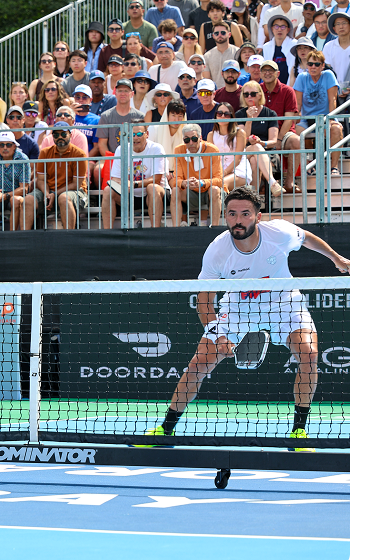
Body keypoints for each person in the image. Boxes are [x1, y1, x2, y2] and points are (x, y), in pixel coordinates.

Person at [139, 186, 350, 450]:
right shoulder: (217, 251)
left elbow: (305, 237)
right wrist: (219, 333)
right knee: (199, 363)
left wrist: (336, 257)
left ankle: (298, 430)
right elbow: (204, 300)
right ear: (225, 216)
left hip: (283, 301)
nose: (238, 220)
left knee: (308, 354)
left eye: (245, 214)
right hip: (239, 306)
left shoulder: (279, 234)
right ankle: (165, 429)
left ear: (257, 217)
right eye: (232, 214)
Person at [101, 120, 170, 228]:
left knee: (152, 188)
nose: (135, 138)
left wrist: (134, 184)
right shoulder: (121, 149)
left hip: (156, 194)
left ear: (147, 134)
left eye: (139, 134)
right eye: (132, 134)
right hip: (131, 195)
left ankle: (155, 230)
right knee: (108, 190)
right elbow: (115, 179)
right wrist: (126, 184)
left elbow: (156, 179)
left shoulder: (156, 148)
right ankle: (107, 233)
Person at [22, 121, 88, 230]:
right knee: (29, 199)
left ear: (70, 135)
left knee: (64, 198)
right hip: (50, 190)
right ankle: (24, 240)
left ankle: (69, 237)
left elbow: (76, 184)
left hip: (76, 191)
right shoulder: (45, 152)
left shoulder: (79, 154)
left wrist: (54, 194)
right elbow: (41, 180)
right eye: (56, 135)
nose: (59, 137)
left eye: (63, 134)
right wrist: (48, 194)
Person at [293, 49, 343, 175]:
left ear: (322, 66)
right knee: (297, 132)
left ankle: (334, 167)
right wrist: (296, 117)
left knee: (336, 130)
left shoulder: (328, 75)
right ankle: (310, 165)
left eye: (316, 64)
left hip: (326, 117)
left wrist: (331, 119)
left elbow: (332, 100)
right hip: (307, 119)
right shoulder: (301, 77)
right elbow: (298, 103)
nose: (313, 67)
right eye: (310, 64)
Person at [235, 79, 285, 197]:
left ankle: (253, 198)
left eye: (253, 94)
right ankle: (272, 182)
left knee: (254, 160)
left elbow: (273, 141)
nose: (249, 97)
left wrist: (261, 142)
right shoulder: (240, 114)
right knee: (254, 149)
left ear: (260, 95)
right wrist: (249, 119)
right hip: (244, 152)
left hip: (267, 152)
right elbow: (243, 139)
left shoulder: (270, 114)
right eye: (246, 94)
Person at [169, 123, 225, 226]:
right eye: (187, 140)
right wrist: (184, 183)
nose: (190, 143)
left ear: (200, 138)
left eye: (194, 139)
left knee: (215, 189)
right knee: (175, 190)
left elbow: (219, 180)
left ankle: (215, 228)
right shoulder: (179, 150)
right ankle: (175, 230)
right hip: (191, 192)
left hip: (209, 191)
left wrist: (202, 182)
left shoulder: (213, 150)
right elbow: (177, 179)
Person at [259, 59, 302, 193]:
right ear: (260, 74)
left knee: (296, 141)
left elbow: (289, 119)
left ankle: (288, 183)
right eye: (264, 70)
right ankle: (260, 186)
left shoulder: (288, 91)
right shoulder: (256, 90)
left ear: (277, 73)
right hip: (261, 132)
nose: (267, 73)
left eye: (270, 70)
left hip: (283, 133)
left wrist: (277, 139)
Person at [207, 101, 259, 192]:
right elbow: (211, 159)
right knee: (212, 185)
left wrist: (224, 173)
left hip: (239, 171)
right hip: (219, 171)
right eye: (219, 113)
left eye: (226, 114)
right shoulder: (211, 135)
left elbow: (238, 159)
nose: (222, 116)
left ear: (231, 116)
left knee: (221, 183)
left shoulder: (239, 133)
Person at [97, 79, 146, 157]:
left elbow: (143, 142)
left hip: (134, 157)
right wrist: (113, 159)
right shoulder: (105, 116)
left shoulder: (140, 116)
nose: (123, 93)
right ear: (115, 93)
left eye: (126, 91)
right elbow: (102, 143)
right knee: (98, 169)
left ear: (132, 94)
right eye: (120, 91)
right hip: (112, 157)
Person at [153, 99, 188, 188]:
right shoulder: (154, 130)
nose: (176, 119)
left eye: (180, 116)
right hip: (157, 173)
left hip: (178, 174)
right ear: (167, 115)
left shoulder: (186, 134)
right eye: (173, 115)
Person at [262, 13, 298, 85]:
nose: (279, 29)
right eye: (276, 26)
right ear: (272, 29)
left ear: (288, 30)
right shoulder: (266, 47)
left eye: (283, 27)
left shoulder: (295, 44)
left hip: (291, 85)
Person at [204, 21, 241, 87]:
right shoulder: (207, 56)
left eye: (223, 33)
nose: (219, 35)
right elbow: (208, 81)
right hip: (216, 94)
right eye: (216, 33)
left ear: (229, 35)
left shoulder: (238, 52)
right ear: (213, 36)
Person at [322, 12, 349, 101]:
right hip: (333, 91)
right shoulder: (328, 46)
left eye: (344, 23)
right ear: (334, 28)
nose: (341, 26)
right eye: (338, 24)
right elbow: (326, 70)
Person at [71, 85, 101, 157]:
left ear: (90, 100)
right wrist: (70, 113)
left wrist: (84, 160)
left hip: (87, 157)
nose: (81, 100)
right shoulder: (66, 116)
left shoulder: (96, 120)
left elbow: (96, 147)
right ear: (74, 99)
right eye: (78, 97)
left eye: (84, 97)